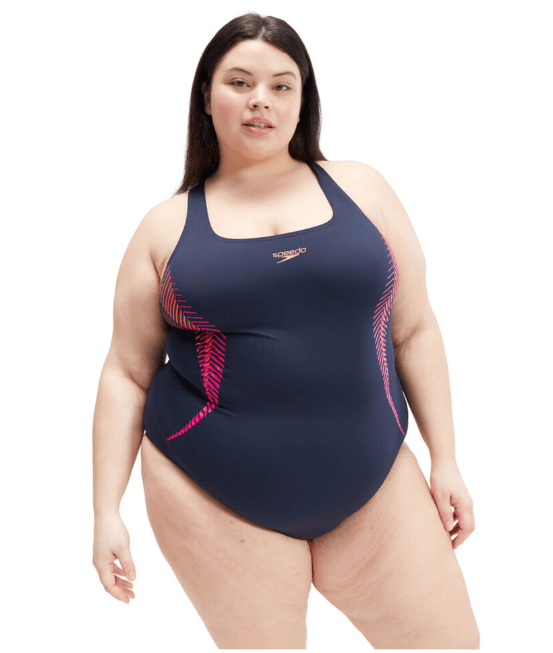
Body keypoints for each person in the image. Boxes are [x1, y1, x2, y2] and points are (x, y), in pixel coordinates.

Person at [92, 12, 480, 650]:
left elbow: (414, 330)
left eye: (281, 85)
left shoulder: (364, 190)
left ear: (304, 99)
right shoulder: (164, 228)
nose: (260, 101)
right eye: (240, 82)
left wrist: (447, 460)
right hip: (211, 494)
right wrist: (106, 511)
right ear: (206, 96)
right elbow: (127, 372)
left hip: (376, 482)